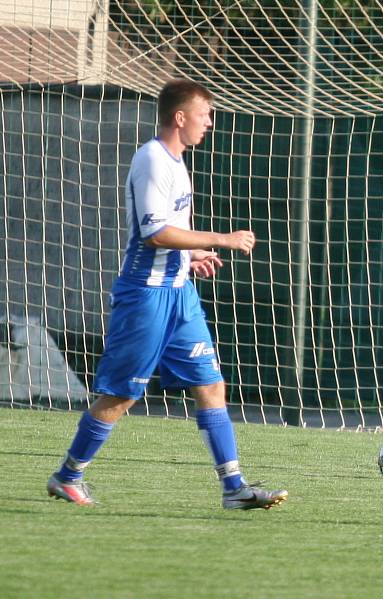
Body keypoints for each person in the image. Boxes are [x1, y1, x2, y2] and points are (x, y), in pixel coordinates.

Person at [46, 79, 287, 510]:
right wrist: (221, 238)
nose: (209, 123)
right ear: (180, 117)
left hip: (179, 295)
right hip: (145, 298)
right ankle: (68, 476)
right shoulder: (153, 160)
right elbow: (154, 233)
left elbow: (166, 236)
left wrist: (192, 254)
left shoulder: (177, 162)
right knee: (122, 396)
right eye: (204, 114)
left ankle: (234, 488)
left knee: (211, 384)